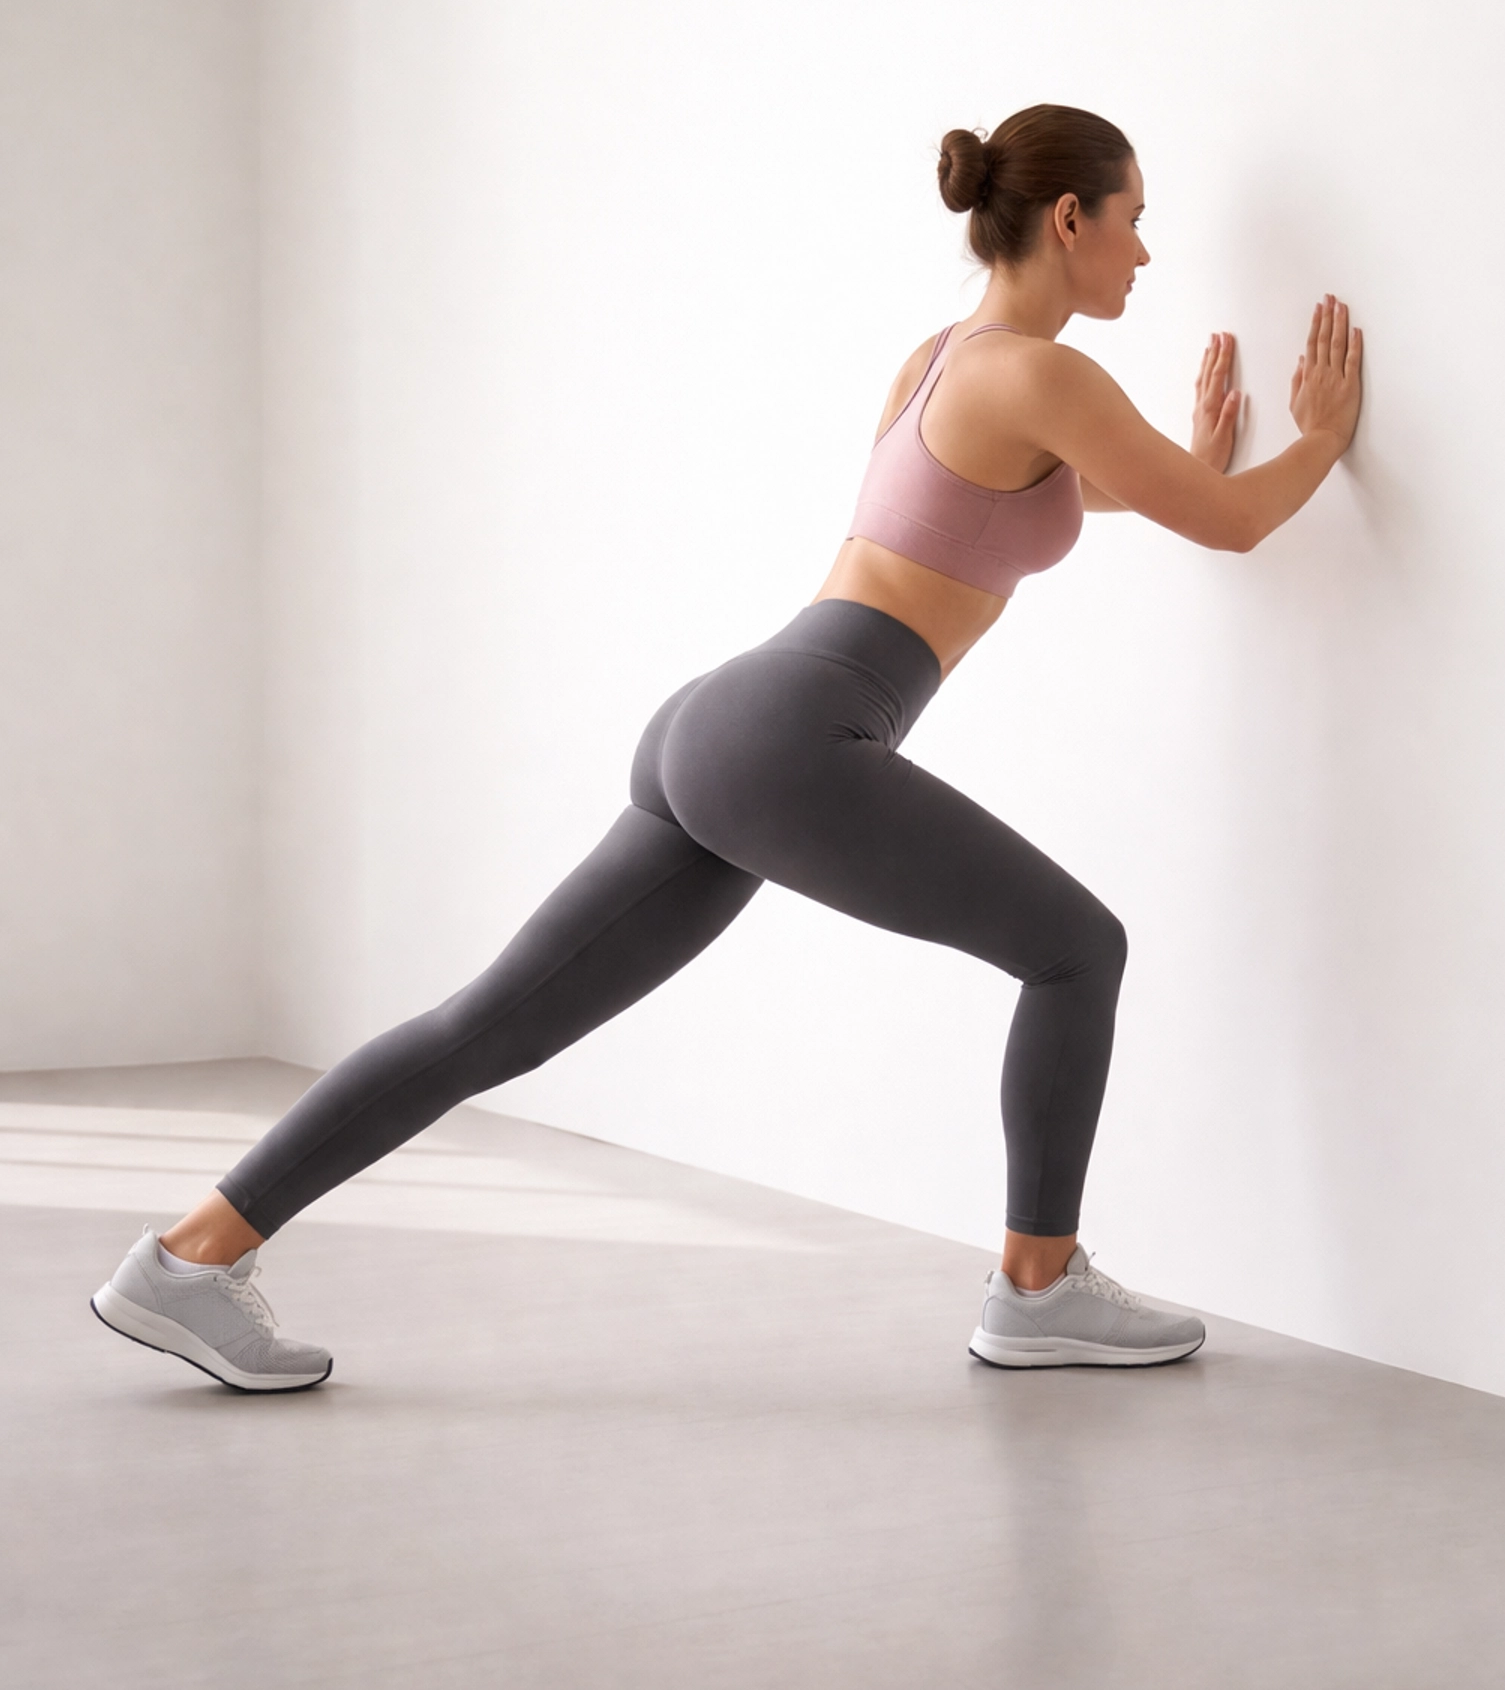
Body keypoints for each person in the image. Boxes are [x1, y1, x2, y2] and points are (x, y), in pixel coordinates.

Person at [91, 105, 1363, 1392]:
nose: (1146, 254)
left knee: (491, 1025)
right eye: (1136, 220)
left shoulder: (944, 359)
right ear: (1071, 219)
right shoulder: (1047, 371)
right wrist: (1316, 438)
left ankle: (189, 1260)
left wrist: (1171, 469)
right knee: (1078, 949)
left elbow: (1042, 488)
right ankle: (1038, 1285)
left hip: (730, 722)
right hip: (795, 735)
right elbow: (1237, 526)